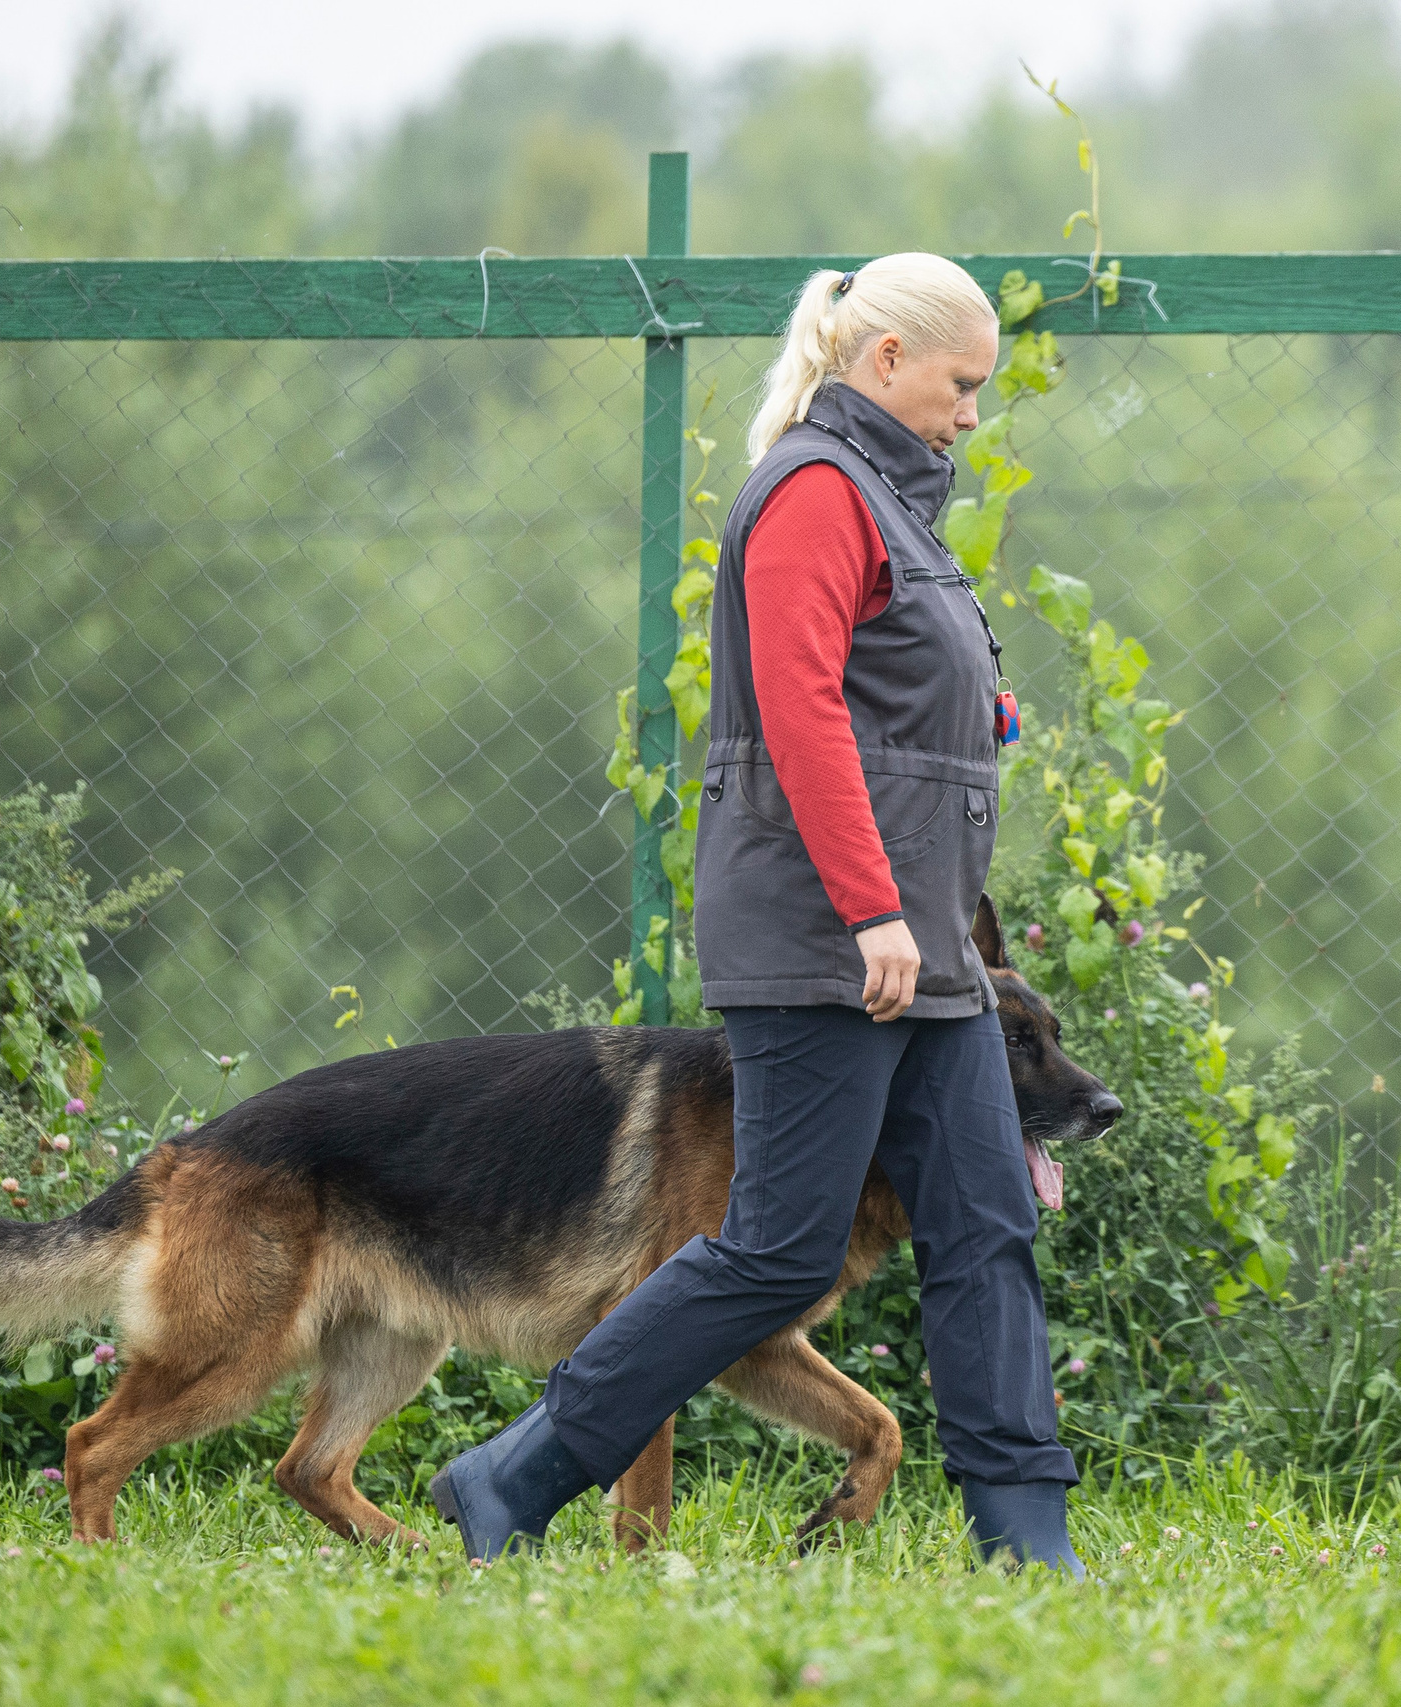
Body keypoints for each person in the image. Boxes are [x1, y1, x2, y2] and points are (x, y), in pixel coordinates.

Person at [431, 253, 1083, 1574]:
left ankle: (1026, 1535)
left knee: (981, 1223)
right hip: (831, 943)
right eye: (961, 387)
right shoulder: (811, 492)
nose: (971, 415)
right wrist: (872, 911)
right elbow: (796, 712)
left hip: (930, 946)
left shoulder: (897, 503)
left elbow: (887, 688)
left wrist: (979, 715)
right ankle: (515, 1475)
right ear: (884, 361)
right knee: (780, 1253)